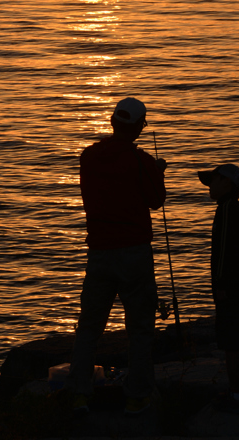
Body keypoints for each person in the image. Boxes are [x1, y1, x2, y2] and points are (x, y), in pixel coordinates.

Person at [68, 97, 167, 415]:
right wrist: (158, 171)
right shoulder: (141, 161)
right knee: (139, 328)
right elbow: (155, 201)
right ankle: (138, 395)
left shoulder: (89, 156)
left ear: (113, 123)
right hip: (135, 252)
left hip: (99, 251)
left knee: (88, 328)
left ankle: (79, 395)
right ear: (139, 127)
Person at [197, 163, 239, 414]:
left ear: (227, 184)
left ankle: (235, 394)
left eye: (214, 180)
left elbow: (222, 253)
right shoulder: (235, 208)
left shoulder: (226, 210)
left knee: (231, 342)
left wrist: (220, 285)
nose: (210, 186)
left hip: (232, 288)